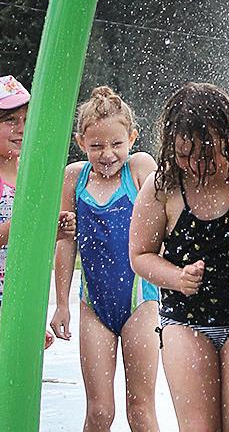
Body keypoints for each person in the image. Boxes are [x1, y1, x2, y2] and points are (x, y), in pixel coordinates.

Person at [129, 82, 229, 432]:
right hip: (185, 322)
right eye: (184, 155)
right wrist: (176, 278)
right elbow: (140, 255)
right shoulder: (163, 186)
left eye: (206, 154)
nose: (196, 167)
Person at [0, 75, 74, 432]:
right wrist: (21, 223)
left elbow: (27, 243)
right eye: (10, 120)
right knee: (6, 397)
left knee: (0, 403)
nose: (21, 128)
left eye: (25, 119)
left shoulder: (25, 171)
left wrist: (54, 230)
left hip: (17, 305)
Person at [51, 86, 160, 432]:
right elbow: (65, 244)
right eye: (96, 146)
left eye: (116, 144)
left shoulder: (139, 168)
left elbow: (166, 222)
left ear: (132, 138)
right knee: (99, 412)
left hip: (140, 302)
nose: (107, 154)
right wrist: (62, 304)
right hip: (93, 305)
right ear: (81, 142)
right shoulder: (75, 177)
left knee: (140, 410)